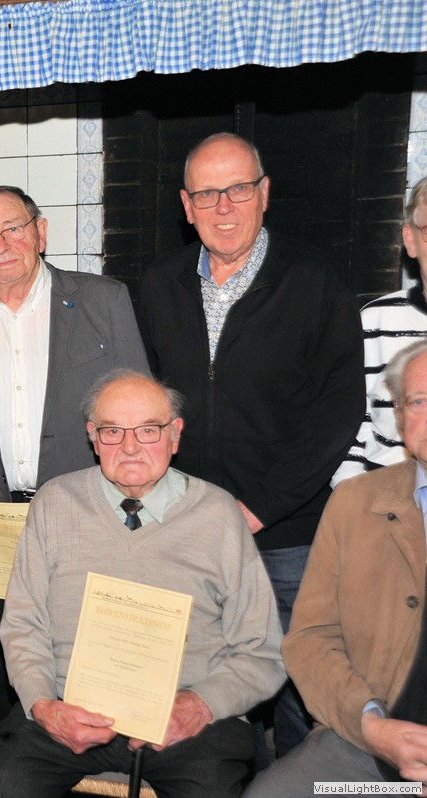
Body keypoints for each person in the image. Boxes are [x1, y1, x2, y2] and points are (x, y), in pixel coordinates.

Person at [135, 132, 364, 757]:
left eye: (238, 189)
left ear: (264, 193)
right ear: (186, 206)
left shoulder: (315, 281)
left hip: (288, 535)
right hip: (189, 529)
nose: (224, 207)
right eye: (207, 194)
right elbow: (146, 405)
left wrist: (259, 506)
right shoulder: (159, 284)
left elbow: (338, 411)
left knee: (297, 685)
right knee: (206, 685)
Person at [0, 372, 285, 798]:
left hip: (184, 717)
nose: (130, 446)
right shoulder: (55, 502)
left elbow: (262, 650)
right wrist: (43, 704)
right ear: (93, 437)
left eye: (148, 429)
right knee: (4, 786)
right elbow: (23, 624)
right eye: (112, 431)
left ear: (175, 435)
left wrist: (202, 704)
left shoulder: (218, 515)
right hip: (68, 707)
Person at [0, 185, 148, 739]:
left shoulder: (103, 301)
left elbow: (139, 413)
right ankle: (16, 761)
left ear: (40, 232)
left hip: (86, 519)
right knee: (6, 665)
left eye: (12, 228)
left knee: (86, 664)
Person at [246, 338, 427, 794]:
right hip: (365, 748)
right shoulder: (354, 502)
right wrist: (369, 724)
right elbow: (311, 637)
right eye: (419, 401)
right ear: (399, 416)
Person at [334, 176, 427, 484]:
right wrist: (352, 498)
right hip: (383, 498)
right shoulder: (374, 321)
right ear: (410, 240)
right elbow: (347, 427)